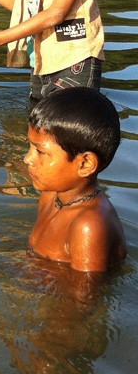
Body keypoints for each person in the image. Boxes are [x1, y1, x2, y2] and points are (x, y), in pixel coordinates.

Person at [24, 87, 125, 273]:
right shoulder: (50, 195)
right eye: (30, 148)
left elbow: (83, 299)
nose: (27, 159)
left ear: (85, 164)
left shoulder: (88, 226)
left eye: (40, 151)